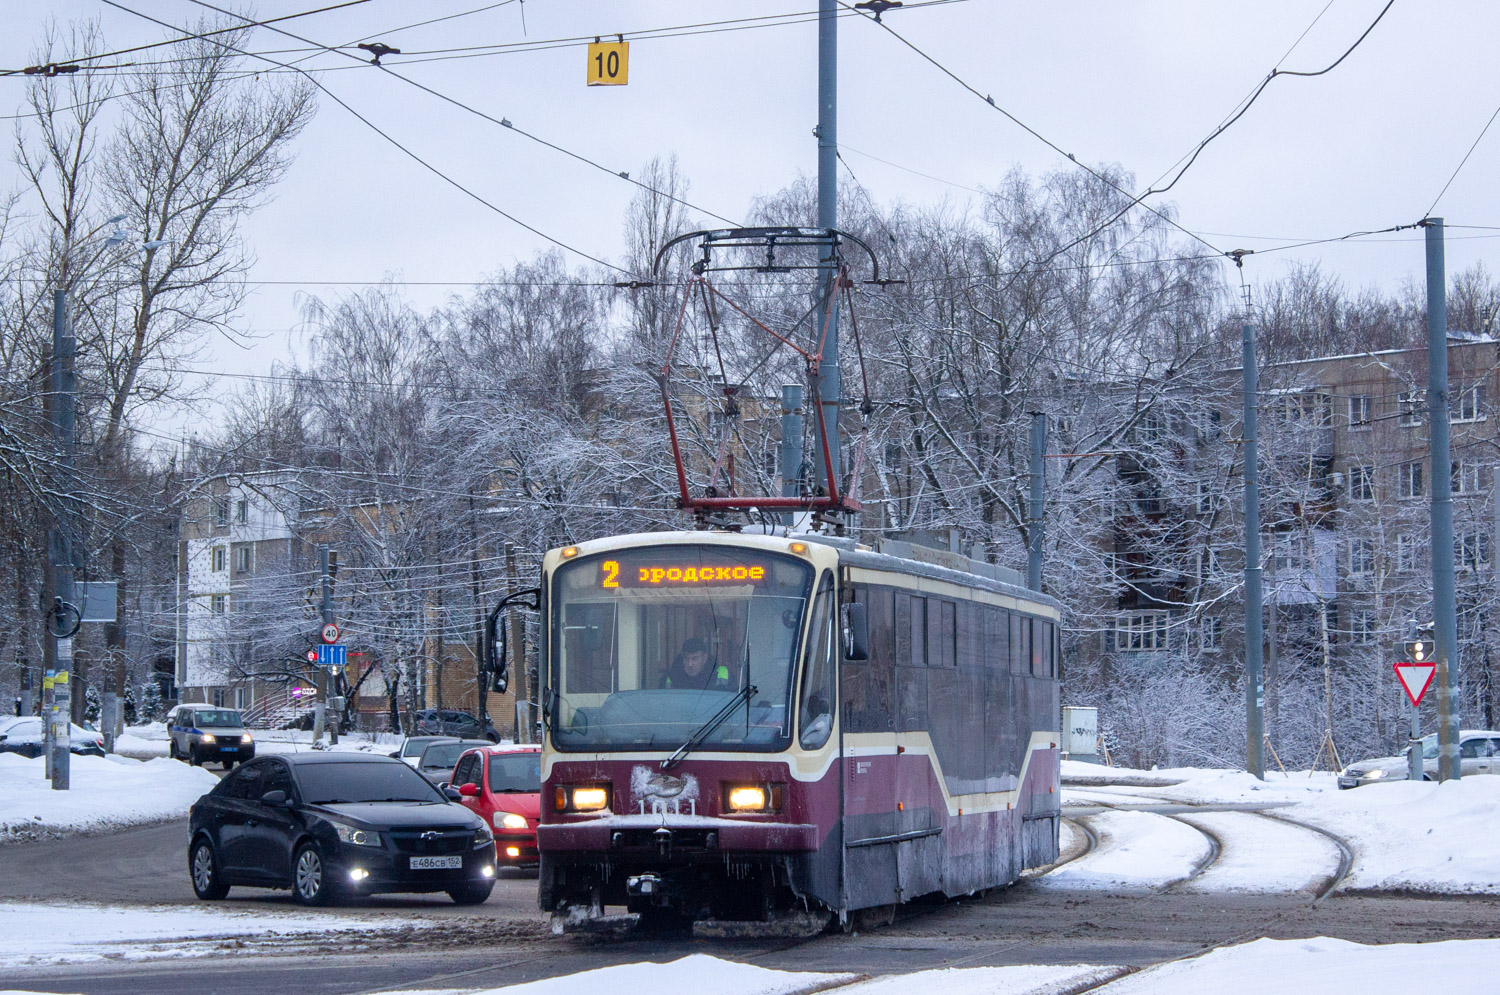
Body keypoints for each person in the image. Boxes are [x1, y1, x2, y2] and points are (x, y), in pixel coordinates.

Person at [660, 637, 731, 690]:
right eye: (686, 658)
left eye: (695, 658)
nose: (690, 664)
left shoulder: (721, 674)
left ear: (704, 658)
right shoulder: (671, 677)